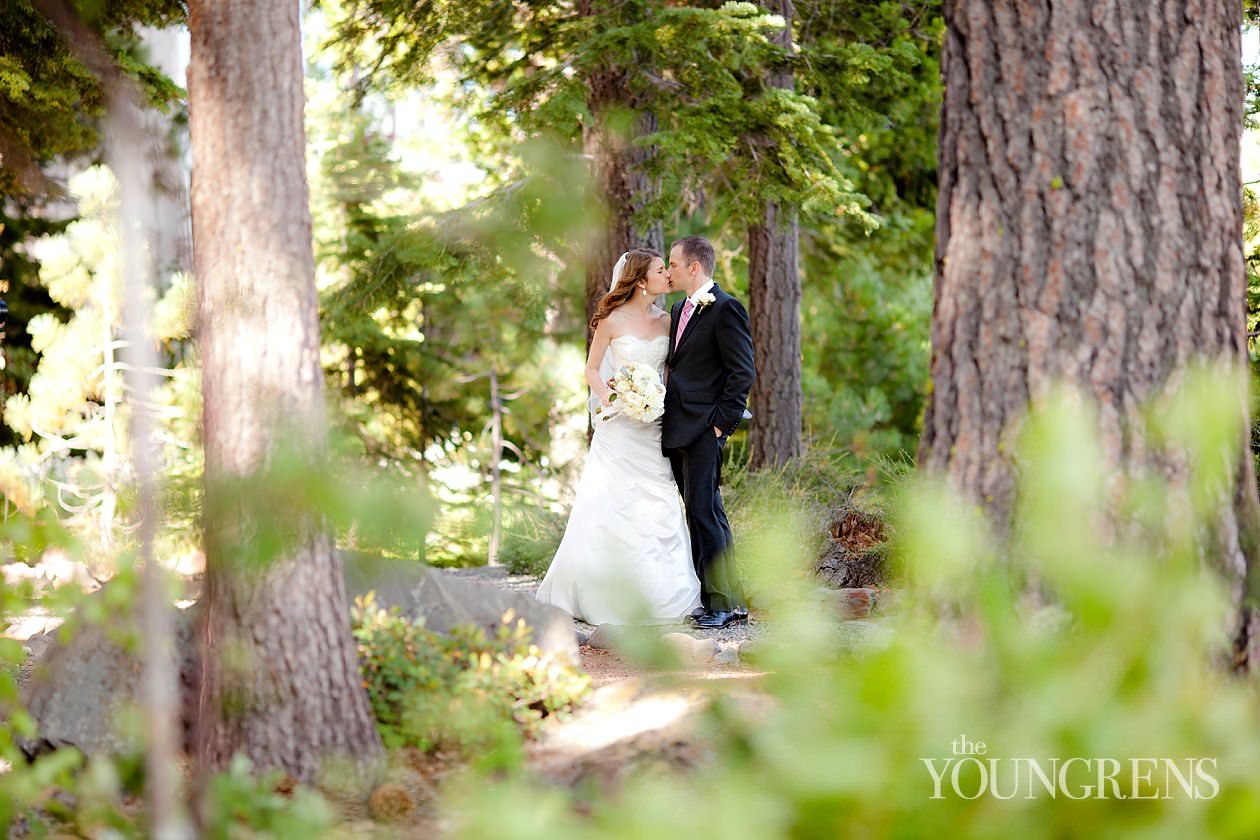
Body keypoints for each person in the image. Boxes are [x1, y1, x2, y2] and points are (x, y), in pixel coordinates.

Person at [535, 249, 702, 625]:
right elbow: (592, 369)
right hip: (619, 428)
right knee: (609, 505)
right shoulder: (610, 321)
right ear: (641, 281)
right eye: (662, 271)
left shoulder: (667, 320)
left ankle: (660, 595)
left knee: (658, 500)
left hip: (654, 425)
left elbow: (676, 371)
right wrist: (614, 396)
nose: (668, 276)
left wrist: (654, 397)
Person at [662, 235, 755, 629]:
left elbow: (742, 372)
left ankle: (719, 603)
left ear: (694, 267)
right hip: (678, 426)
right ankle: (728, 599)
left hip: (704, 428)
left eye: (674, 264)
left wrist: (720, 425)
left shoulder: (727, 308)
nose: (670, 271)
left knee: (704, 512)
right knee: (707, 512)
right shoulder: (679, 307)